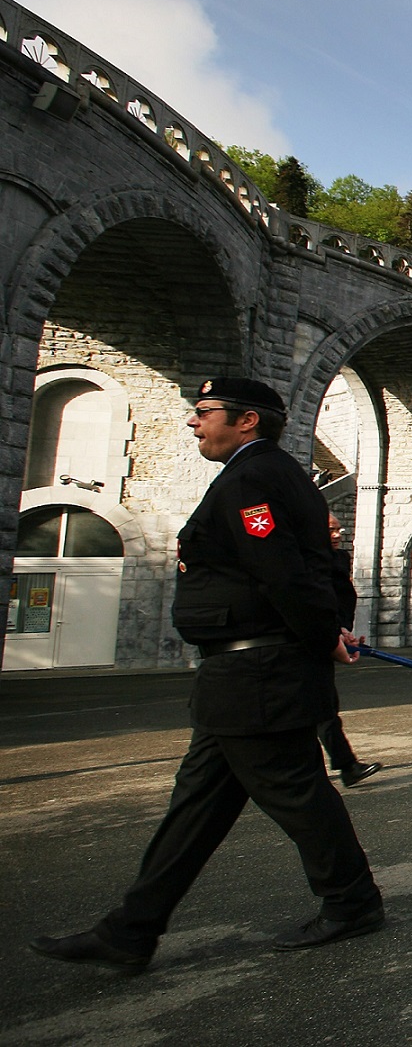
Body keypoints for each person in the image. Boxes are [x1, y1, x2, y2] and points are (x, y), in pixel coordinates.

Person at [31, 378, 383, 975]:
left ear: (247, 421)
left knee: (295, 793)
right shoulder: (270, 473)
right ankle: (131, 929)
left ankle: (351, 901)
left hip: (257, 668)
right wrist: (326, 629)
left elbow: (283, 569)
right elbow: (307, 566)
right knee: (198, 806)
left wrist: (324, 634)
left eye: (205, 413)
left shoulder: (253, 478)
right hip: (246, 670)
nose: (195, 423)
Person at [315, 512, 381, 788]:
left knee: (323, 708)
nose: (338, 535)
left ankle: (347, 765)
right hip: (303, 645)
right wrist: (332, 636)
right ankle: (346, 765)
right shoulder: (304, 564)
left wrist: (342, 631)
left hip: (324, 639)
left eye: (339, 529)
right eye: (331, 529)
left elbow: (338, 601)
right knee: (320, 708)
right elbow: (313, 603)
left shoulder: (333, 561)